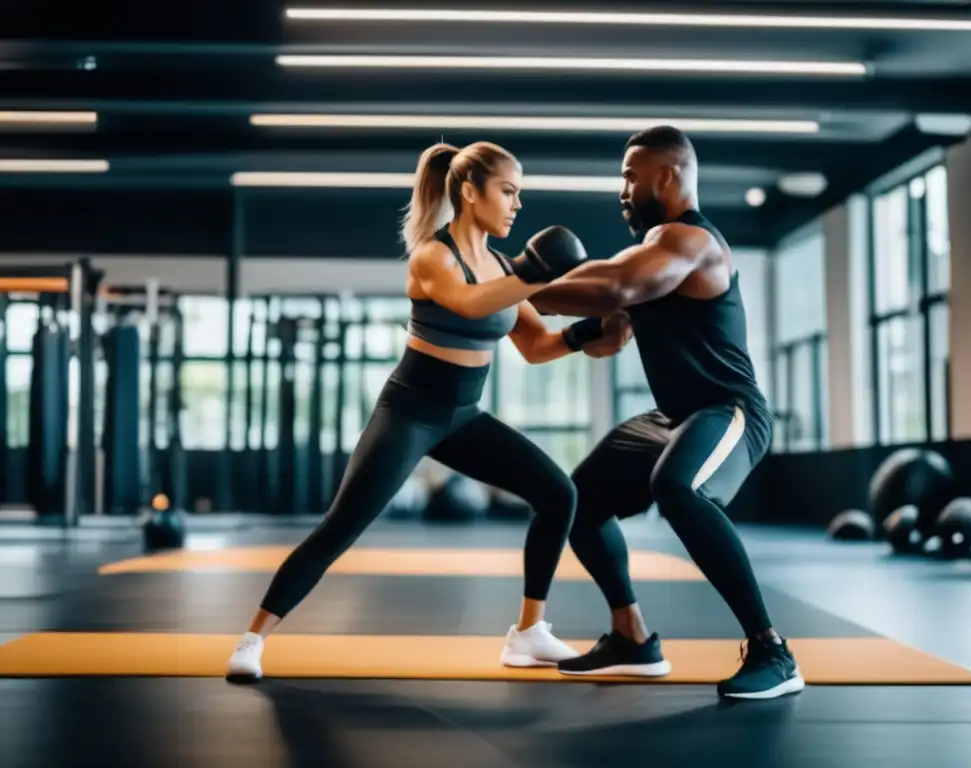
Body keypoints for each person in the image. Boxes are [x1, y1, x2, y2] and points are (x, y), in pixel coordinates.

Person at [225, 140, 633, 683]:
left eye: (520, 195)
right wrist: (538, 275)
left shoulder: (502, 266)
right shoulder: (433, 257)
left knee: (559, 493)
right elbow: (467, 302)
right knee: (340, 527)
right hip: (411, 413)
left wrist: (593, 333)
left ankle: (528, 632)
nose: (517, 205)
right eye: (507, 192)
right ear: (469, 191)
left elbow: (537, 348)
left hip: (464, 416)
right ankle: (253, 639)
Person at [527, 125, 805, 700]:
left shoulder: (691, 243)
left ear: (667, 175)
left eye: (630, 176)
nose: (622, 189)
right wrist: (552, 320)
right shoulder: (654, 253)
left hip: (730, 412)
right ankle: (631, 638)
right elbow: (610, 332)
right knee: (580, 501)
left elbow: (617, 287)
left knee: (678, 487)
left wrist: (517, 284)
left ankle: (773, 650)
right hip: (674, 417)